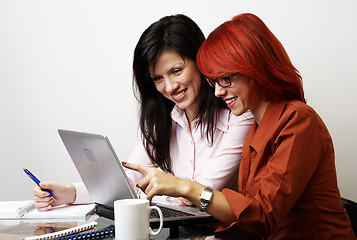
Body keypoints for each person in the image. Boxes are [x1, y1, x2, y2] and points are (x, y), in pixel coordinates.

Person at [123, 13, 356, 239]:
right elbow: (246, 215)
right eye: (213, 81)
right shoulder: (256, 127)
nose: (217, 91)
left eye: (226, 79)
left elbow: (262, 216)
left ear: (254, 69)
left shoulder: (298, 120)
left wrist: (185, 188)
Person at [33, 14, 254, 211]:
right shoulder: (166, 121)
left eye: (176, 71)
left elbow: (202, 189)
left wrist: (164, 186)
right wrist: (69, 193)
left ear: (200, 60)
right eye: (158, 78)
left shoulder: (239, 115)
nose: (169, 87)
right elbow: (127, 181)